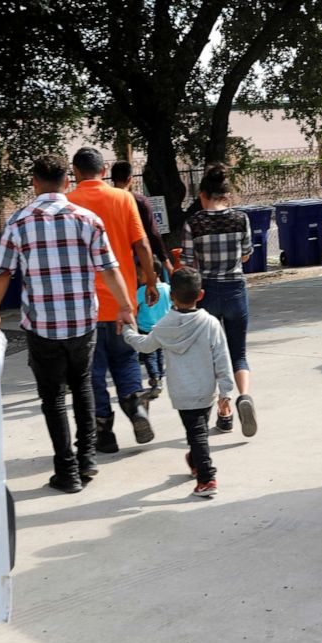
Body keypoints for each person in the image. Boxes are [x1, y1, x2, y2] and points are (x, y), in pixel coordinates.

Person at [0, 155, 135, 493]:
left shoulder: (18, 222)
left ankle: (66, 472)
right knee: (83, 387)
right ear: (67, 182)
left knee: (53, 398)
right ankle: (87, 459)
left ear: (34, 182)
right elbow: (109, 268)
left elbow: (1, 272)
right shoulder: (87, 219)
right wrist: (126, 306)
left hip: (42, 326)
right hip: (83, 323)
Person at [67, 147, 158, 453]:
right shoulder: (124, 198)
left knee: (93, 371)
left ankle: (104, 433)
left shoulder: (68, 202)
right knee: (126, 359)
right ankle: (136, 406)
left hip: (86, 307)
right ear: (103, 171)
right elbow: (142, 243)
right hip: (123, 301)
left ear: (75, 172)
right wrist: (151, 280)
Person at [122, 267, 235, 497]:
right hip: (207, 390)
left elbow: (144, 345)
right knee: (198, 432)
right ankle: (195, 461)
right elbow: (222, 358)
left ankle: (207, 479)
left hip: (182, 393)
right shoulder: (210, 323)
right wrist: (226, 392)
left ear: (171, 295)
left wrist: (127, 330)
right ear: (201, 294)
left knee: (197, 434)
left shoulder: (165, 325)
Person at [180, 163, 257, 436]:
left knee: (213, 356)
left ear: (202, 194)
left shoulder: (195, 223)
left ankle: (224, 411)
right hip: (236, 289)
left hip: (208, 293)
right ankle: (244, 396)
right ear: (227, 193)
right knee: (239, 353)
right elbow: (247, 254)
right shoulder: (241, 219)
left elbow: (188, 264)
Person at [110, 160, 174, 278]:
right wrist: (166, 261)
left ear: (112, 179)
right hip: (139, 260)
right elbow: (153, 233)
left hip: (113, 258)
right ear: (130, 179)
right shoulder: (139, 201)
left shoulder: (106, 202)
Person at [136, 259, 172, 399]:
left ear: (153, 274)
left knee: (149, 354)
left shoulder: (142, 291)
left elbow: (134, 304)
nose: (139, 276)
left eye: (141, 273)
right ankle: (159, 378)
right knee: (159, 353)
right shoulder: (167, 288)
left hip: (146, 328)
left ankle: (155, 379)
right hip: (163, 328)